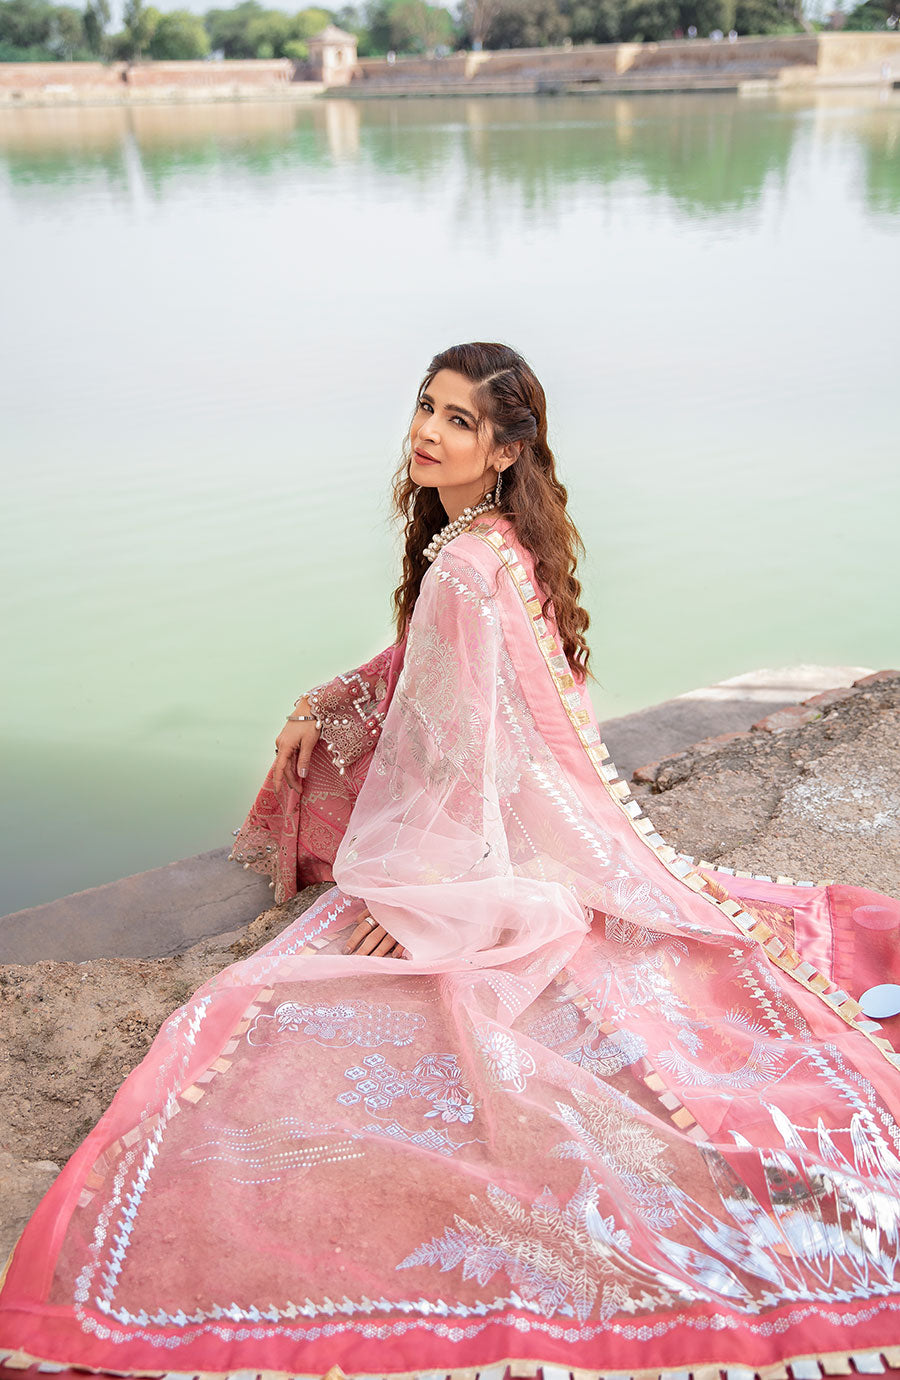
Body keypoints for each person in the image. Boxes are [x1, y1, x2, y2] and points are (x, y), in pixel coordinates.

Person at [3, 342, 900, 1380]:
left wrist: (424, 901)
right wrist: (325, 702)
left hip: (504, 840)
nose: (428, 432)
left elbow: (460, 752)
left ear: (506, 448)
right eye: (427, 408)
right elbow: (422, 671)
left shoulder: (468, 568)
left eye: (459, 420)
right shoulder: (495, 541)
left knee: (246, 1010)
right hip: (540, 819)